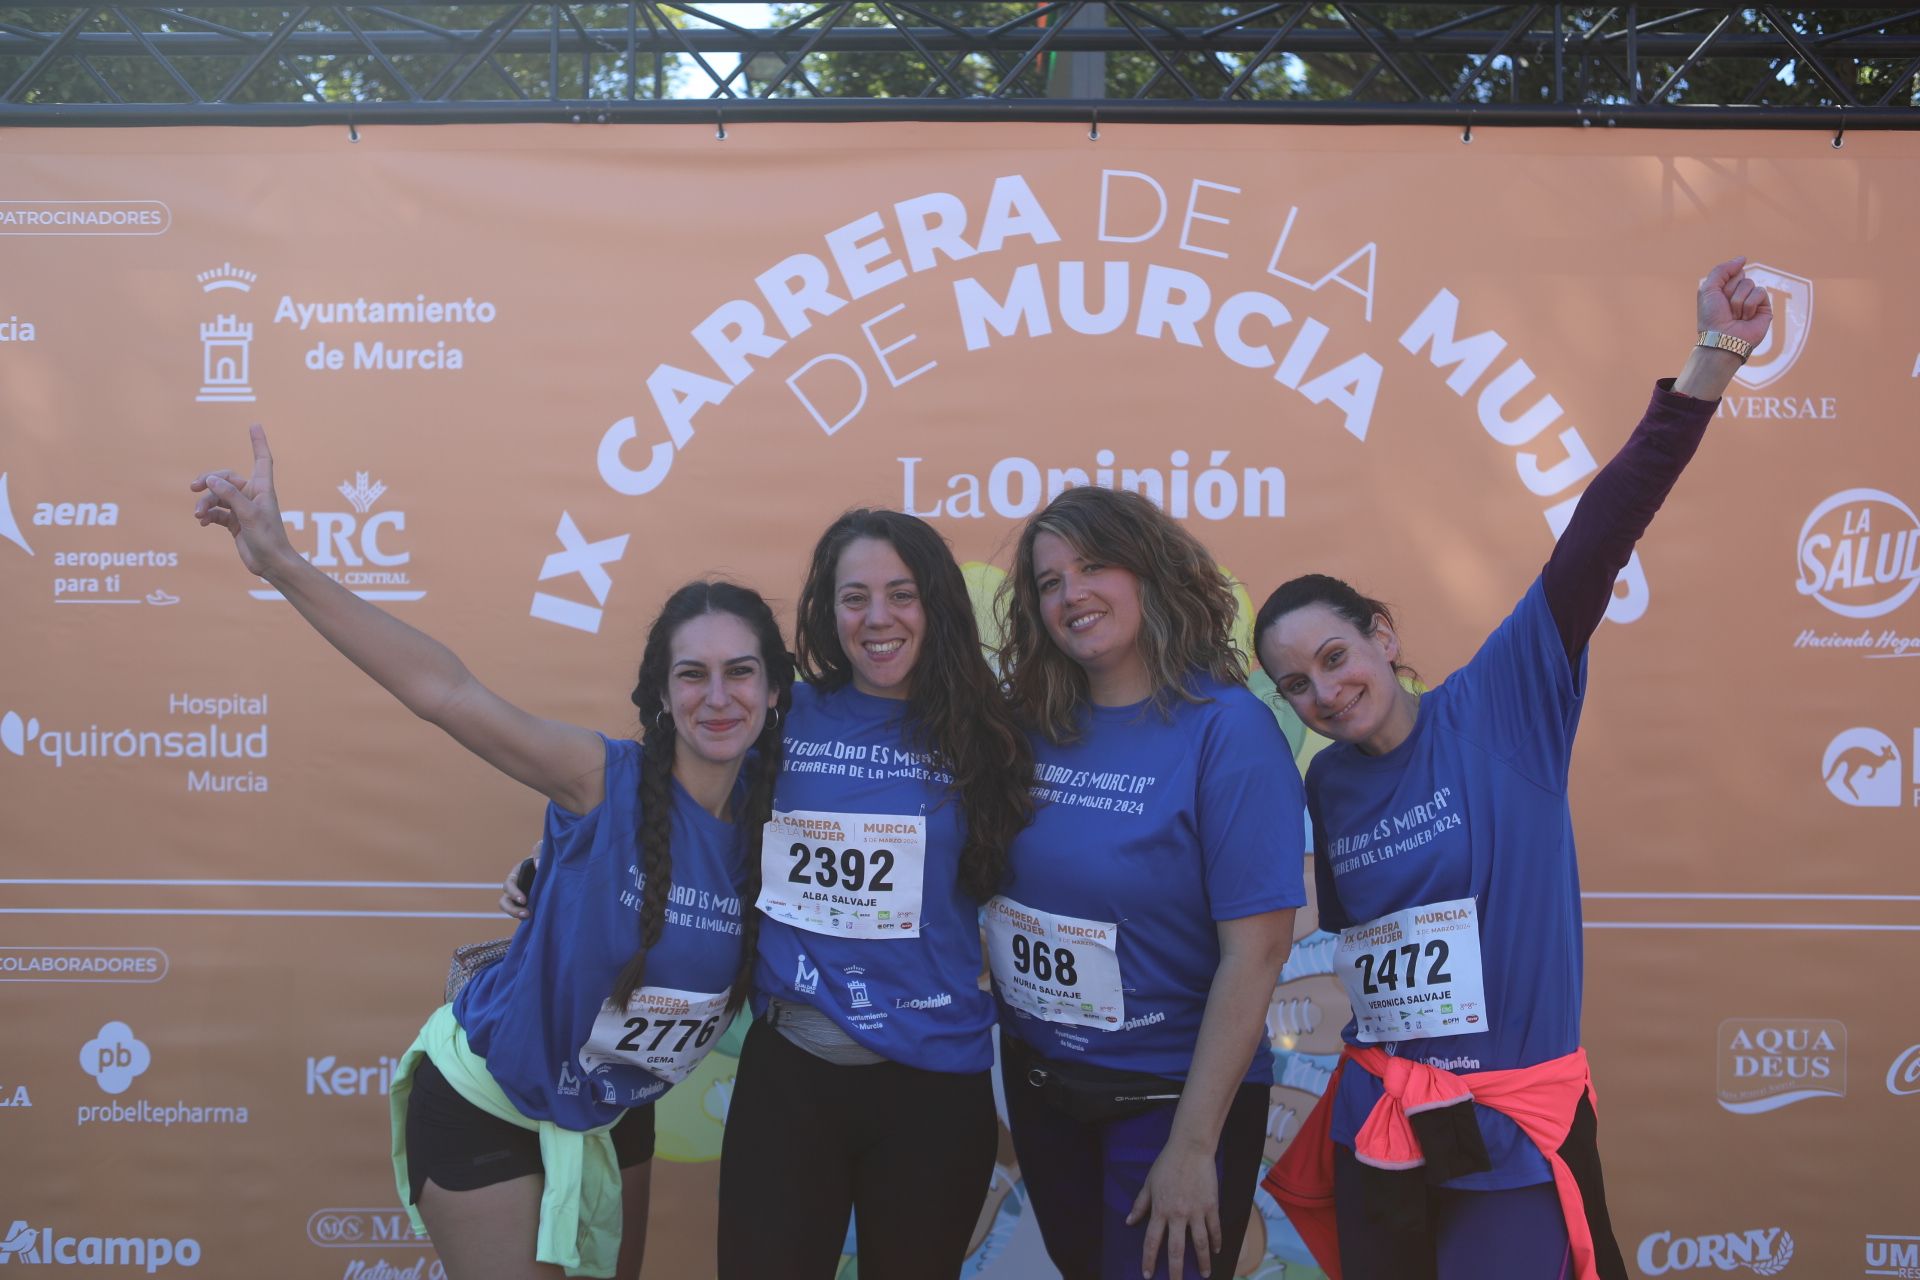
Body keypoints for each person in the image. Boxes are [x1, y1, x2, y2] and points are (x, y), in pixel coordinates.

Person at [1253, 257, 1771, 1280]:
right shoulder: (1329, 783)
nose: (1324, 691)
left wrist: (1714, 356)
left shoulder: (1505, 701)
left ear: (1384, 635)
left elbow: (1600, 530)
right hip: (1387, 1128)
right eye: (1296, 684)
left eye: (1335, 656)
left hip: (1512, 1132)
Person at [191, 427, 791, 1280]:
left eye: (742, 672)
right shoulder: (600, 778)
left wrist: (542, 880)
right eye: (692, 675)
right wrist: (282, 562)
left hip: (616, 1108)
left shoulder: (786, 822)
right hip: (491, 1105)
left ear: (774, 689)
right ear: (661, 694)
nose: (719, 696)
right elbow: (446, 691)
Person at [500, 509, 1035, 1279]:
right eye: (854, 597)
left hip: (934, 1085)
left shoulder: (989, 735)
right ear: (826, 609)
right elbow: (670, 801)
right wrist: (545, 868)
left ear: (937, 604)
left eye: (901, 594)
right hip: (794, 1074)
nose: (877, 618)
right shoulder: (781, 713)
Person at [992, 485, 1306, 1280]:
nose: (1072, 594)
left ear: (1152, 572)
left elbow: (1258, 956)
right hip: (1043, 1090)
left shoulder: (1226, 731)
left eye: (1095, 566)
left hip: (1169, 1102)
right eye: (1050, 581)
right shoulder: (1027, 724)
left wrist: (1194, 1145)